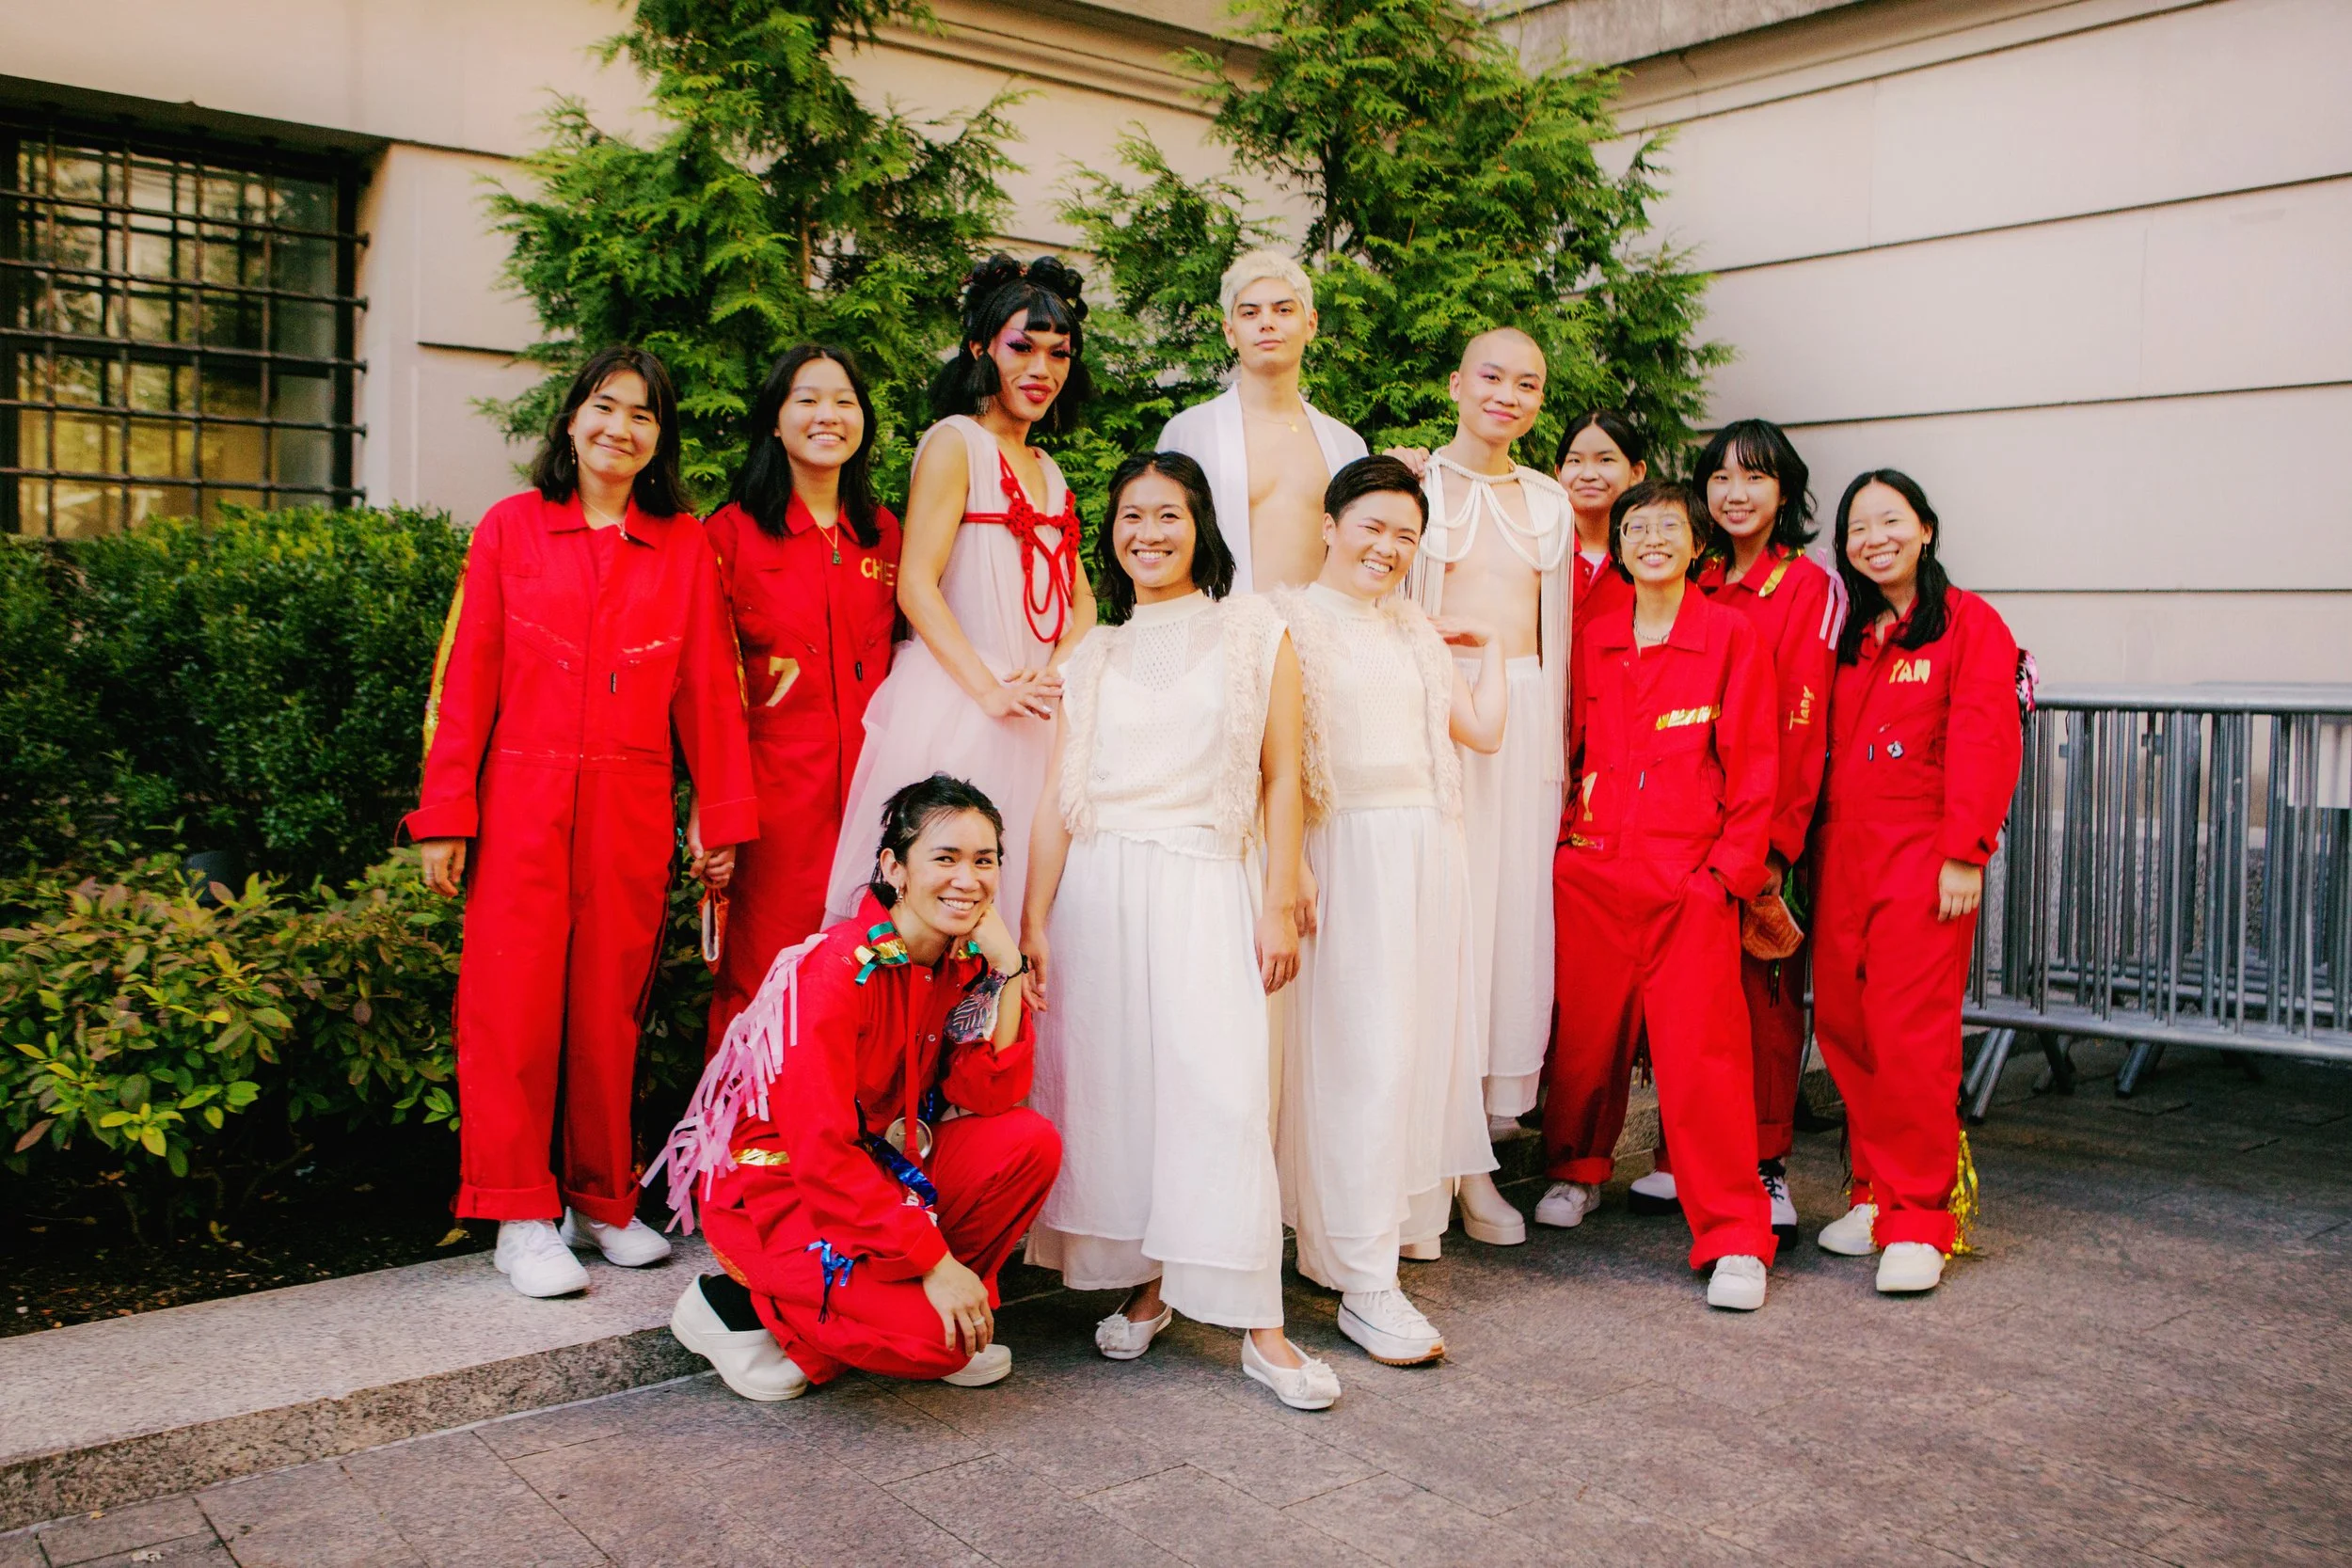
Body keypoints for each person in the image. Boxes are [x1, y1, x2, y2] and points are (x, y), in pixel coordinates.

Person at [409, 346, 755, 1299]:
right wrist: (448, 813)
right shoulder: (511, 529)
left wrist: (717, 818)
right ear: (571, 421)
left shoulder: (681, 544)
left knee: (612, 1005)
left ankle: (600, 1199)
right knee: (510, 1005)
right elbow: (465, 677)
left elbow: (711, 695)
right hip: (520, 797)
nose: (621, 428)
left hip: (631, 800)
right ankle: (519, 1212)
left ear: (659, 440)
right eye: (605, 408)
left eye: (643, 416)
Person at [1020, 452, 1341, 1411]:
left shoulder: (1254, 629)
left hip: (1207, 875)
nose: (1148, 533)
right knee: (1124, 1095)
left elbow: (1284, 774)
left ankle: (1260, 1326)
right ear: (1109, 533)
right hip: (1103, 888)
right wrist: (1032, 916)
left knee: (1222, 1094)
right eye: (1129, 516)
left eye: (1167, 514)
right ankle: (1151, 1284)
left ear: (1199, 523)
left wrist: (1278, 894)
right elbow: (1056, 799)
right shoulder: (1095, 651)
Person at [651, 775, 1058, 1398]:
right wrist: (934, 1262)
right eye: (944, 858)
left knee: (1030, 1142)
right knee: (938, 1344)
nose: (968, 879)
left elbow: (989, 1093)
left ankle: (913, 1311)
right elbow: (822, 1155)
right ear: (894, 866)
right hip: (783, 1192)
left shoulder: (959, 962)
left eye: (984, 860)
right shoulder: (836, 970)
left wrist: (1008, 968)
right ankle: (736, 1308)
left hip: (882, 1176)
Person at [1271, 455, 1506, 1365]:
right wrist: (1290, 861)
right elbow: (1272, 764)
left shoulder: (1411, 628)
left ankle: (1364, 1240)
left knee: (1406, 1052)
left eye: (1407, 536)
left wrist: (1484, 655)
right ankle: (1365, 1277)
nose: (1388, 547)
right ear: (1330, 523)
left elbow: (1480, 734)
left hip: (1424, 852)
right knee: (1354, 1054)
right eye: (1372, 526)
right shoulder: (1286, 622)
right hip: (1344, 852)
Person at [1534, 479, 1782, 1311]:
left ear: (1695, 542)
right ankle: (1575, 1168)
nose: (1650, 538)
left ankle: (1736, 1236)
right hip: (1592, 873)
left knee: (1705, 1059)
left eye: (1668, 526)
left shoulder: (1729, 636)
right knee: (1583, 1041)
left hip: (1689, 883)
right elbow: (1567, 749)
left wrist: (1726, 879)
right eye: (1636, 526)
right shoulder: (1594, 635)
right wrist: (1564, 849)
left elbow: (1755, 770)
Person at [822, 255, 1097, 927]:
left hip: (1034, 708)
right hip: (961, 701)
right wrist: (990, 690)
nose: (1042, 370)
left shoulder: (1050, 469)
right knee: (932, 911)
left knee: (1019, 911)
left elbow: (1083, 600)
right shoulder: (956, 442)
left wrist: (1050, 675)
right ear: (980, 348)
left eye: (1058, 354)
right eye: (1021, 348)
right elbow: (916, 583)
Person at [1812, 470, 2022, 1294]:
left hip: (1925, 856)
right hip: (1847, 855)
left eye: (1890, 520)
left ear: (1926, 528)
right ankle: (1872, 1189)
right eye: (1857, 527)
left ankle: (1923, 1217)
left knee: (1910, 1035)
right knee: (1846, 1022)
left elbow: (1985, 736)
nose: (1874, 539)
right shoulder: (1853, 633)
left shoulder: (1970, 623)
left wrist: (1967, 851)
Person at [1634, 420, 1845, 1239]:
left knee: (1763, 998)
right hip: (1685, 835)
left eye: (1753, 477)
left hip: (1765, 834)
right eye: (1719, 477)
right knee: (1693, 1002)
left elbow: (1803, 724)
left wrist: (1771, 847)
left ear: (1784, 490)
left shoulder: (1808, 588)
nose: (1734, 492)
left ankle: (1766, 1165)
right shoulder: (1699, 574)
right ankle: (1689, 1154)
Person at [1398, 329, 1573, 1248]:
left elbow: (1564, 635)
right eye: (1492, 376)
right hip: (1442, 715)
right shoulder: (1413, 486)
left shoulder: (1549, 500)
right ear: (1457, 382)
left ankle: (1485, 1146)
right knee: (1447, 926)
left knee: (1510, 927)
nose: (1507, 394)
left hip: (1532, 721)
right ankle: (1438, 1159)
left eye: (1527, 384)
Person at [701, 345, 902, 1051]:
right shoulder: (728, 535)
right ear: (776, 421)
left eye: (845, 400)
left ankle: (847, 1149)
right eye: (807, 399)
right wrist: (714, 811)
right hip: (773, 808)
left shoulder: (885, 533)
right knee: (763, 982)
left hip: (876, 803)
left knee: (864, 980)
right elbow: (708, 689)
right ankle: (743, 1153)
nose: (828, 415)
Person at [1158, 249, 1369, 594]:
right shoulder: (1190, 434)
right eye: (1250, 312)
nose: (1267, 322)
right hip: (1222, 634)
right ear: (1229, 332)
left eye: (1283, 310)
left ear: (1311, 324)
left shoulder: (1346, 445)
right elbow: (1162, 548)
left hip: (1323, 638)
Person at [1556, 410, 1648, 653]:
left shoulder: (1650, 557)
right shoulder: (1540, 552)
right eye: (1574, 461)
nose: (1588, 475)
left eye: (1605, 460)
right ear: (1558, 473)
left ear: (1636, 472)